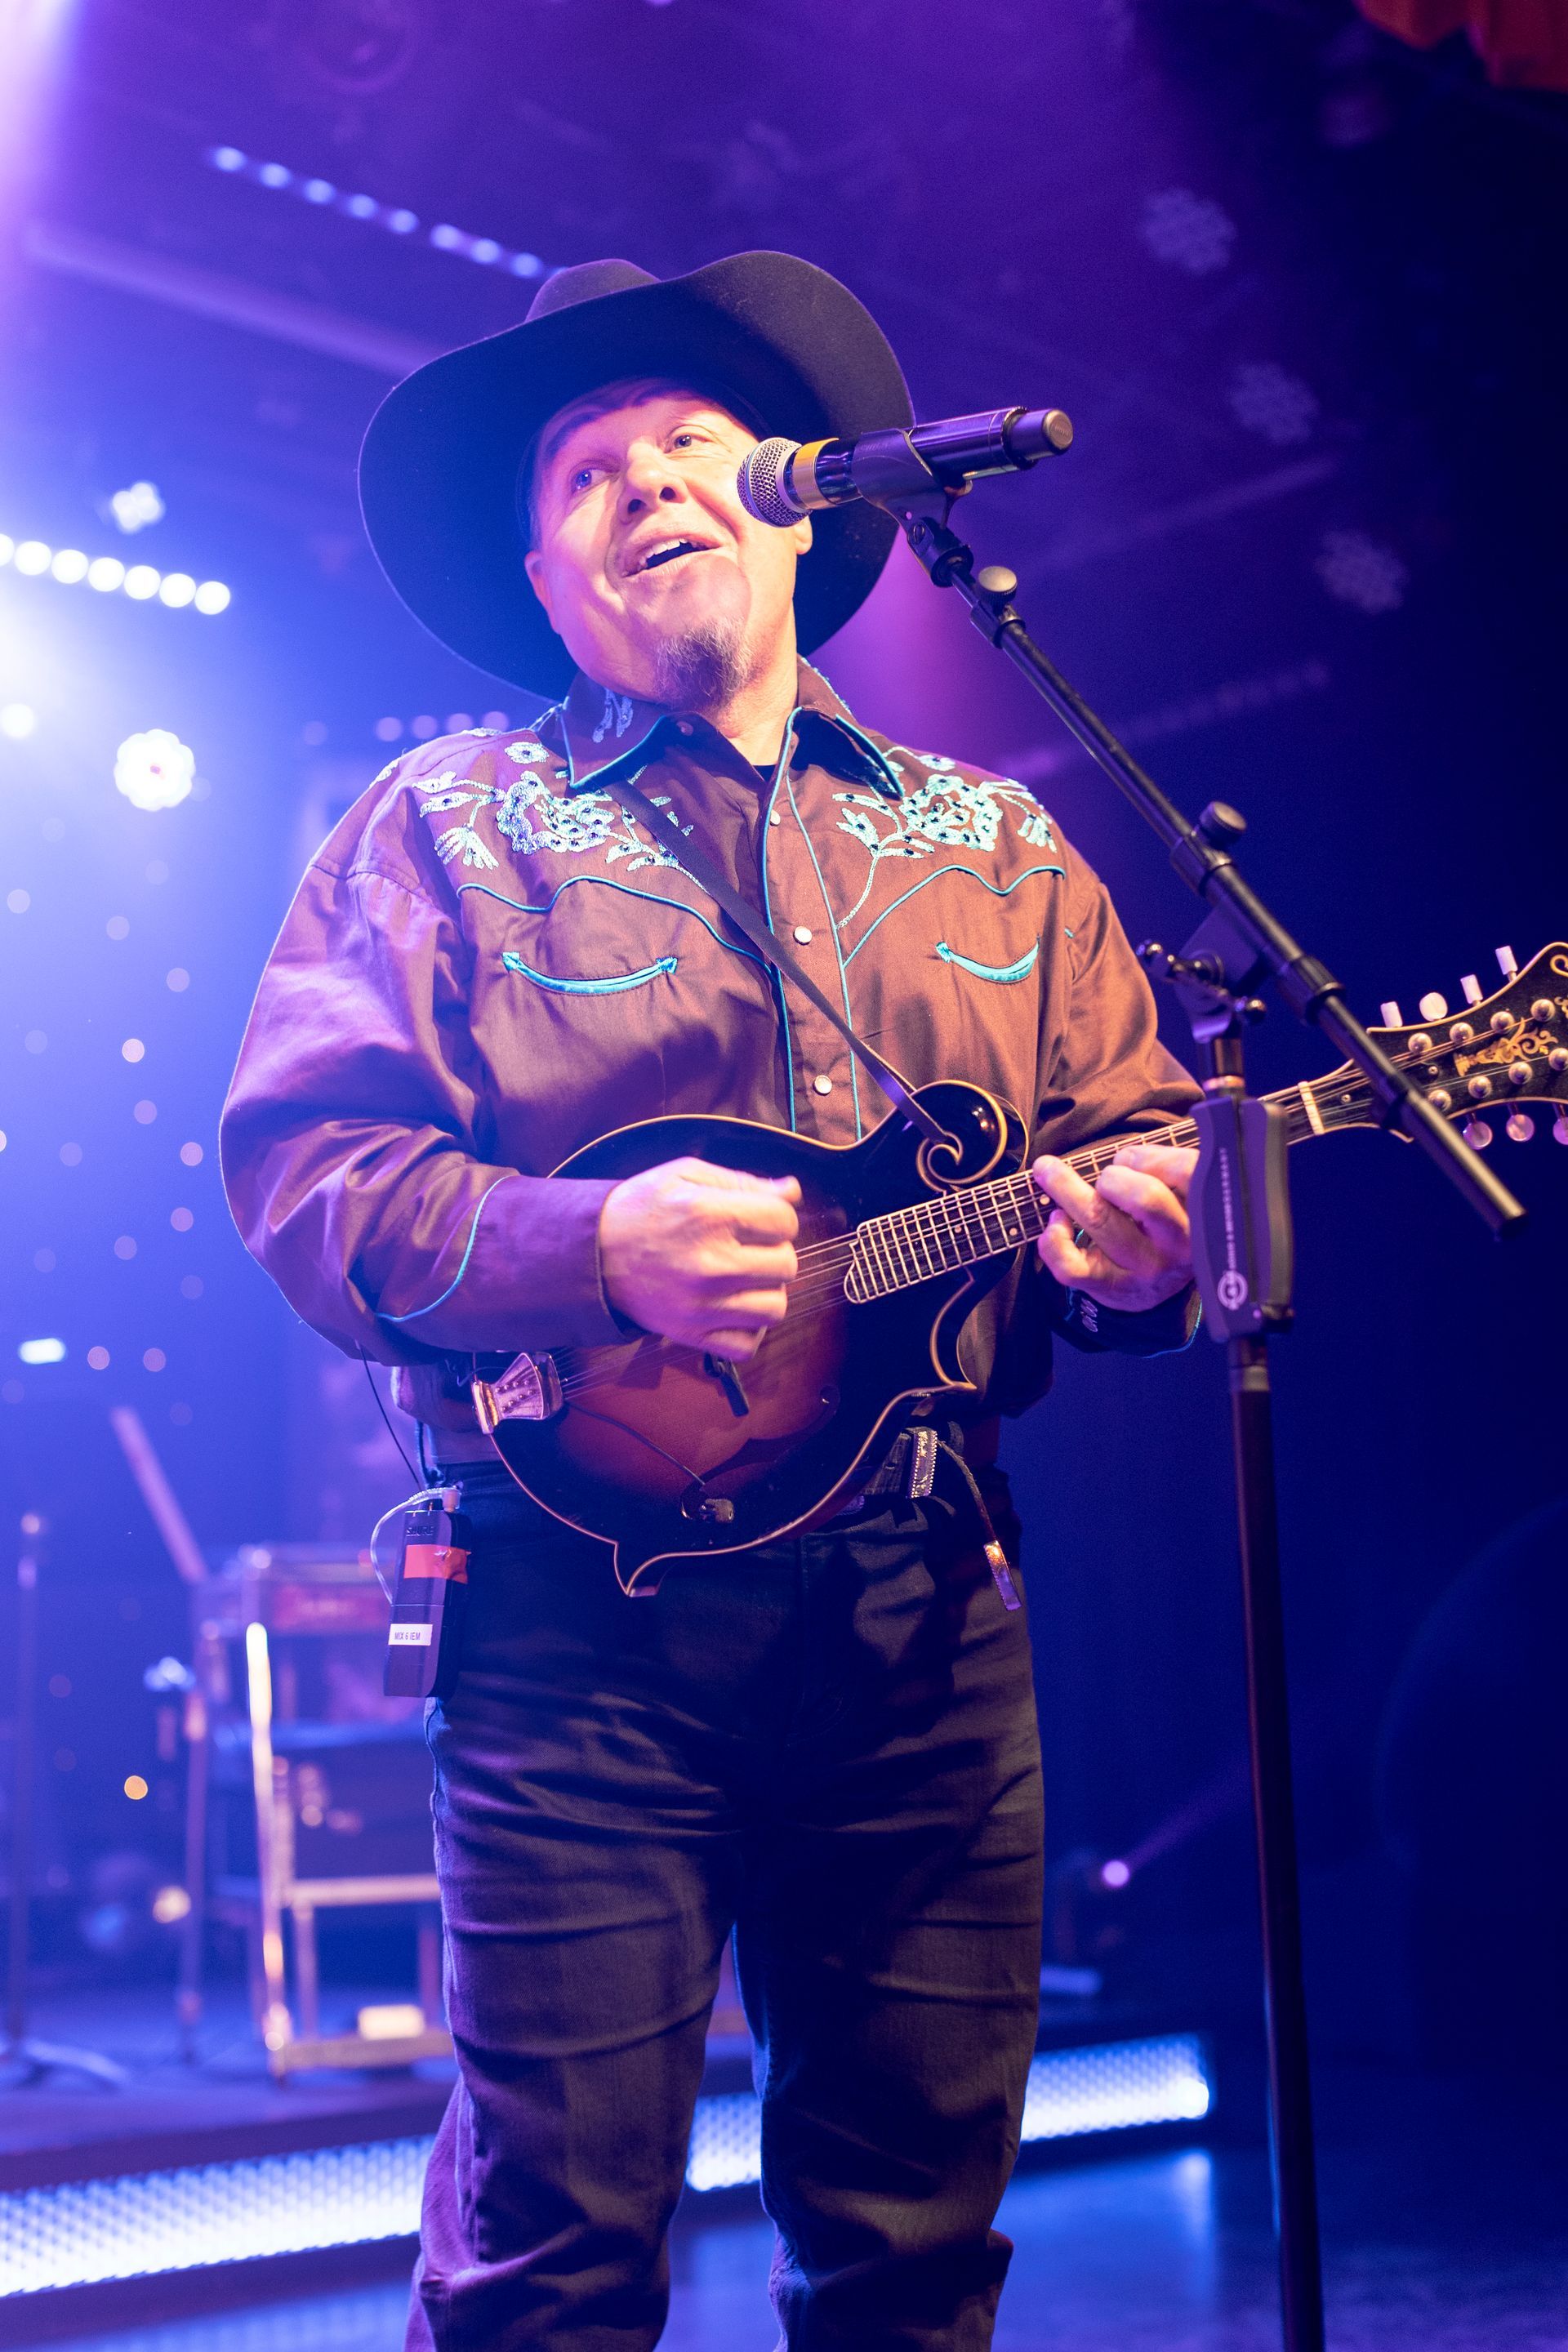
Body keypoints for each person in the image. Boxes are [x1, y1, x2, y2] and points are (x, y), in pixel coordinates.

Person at [220, 252, 1201, 2352]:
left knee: (919, 2255)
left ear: (802, 499)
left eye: (690, 442)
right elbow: (308, 1184)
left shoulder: (998, 848)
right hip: (576, 1636)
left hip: (927, 1622)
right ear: (545, 578)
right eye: (586, 471)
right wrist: (593, 1249)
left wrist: (1145, 1248)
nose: (648, 481)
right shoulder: (441, 827)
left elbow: (1133, 1158)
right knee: (553, 2265)